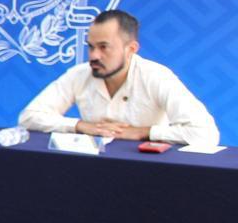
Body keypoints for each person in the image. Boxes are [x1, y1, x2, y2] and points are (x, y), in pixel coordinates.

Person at [18, 10, 218, 145]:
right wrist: (80, 126)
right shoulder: (80, 74)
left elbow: (206, 134)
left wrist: (144, 132)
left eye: (103, 47)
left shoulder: (156, 76)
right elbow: (29, 117)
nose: (94, 56)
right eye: (91, 47)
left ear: (131, 49)